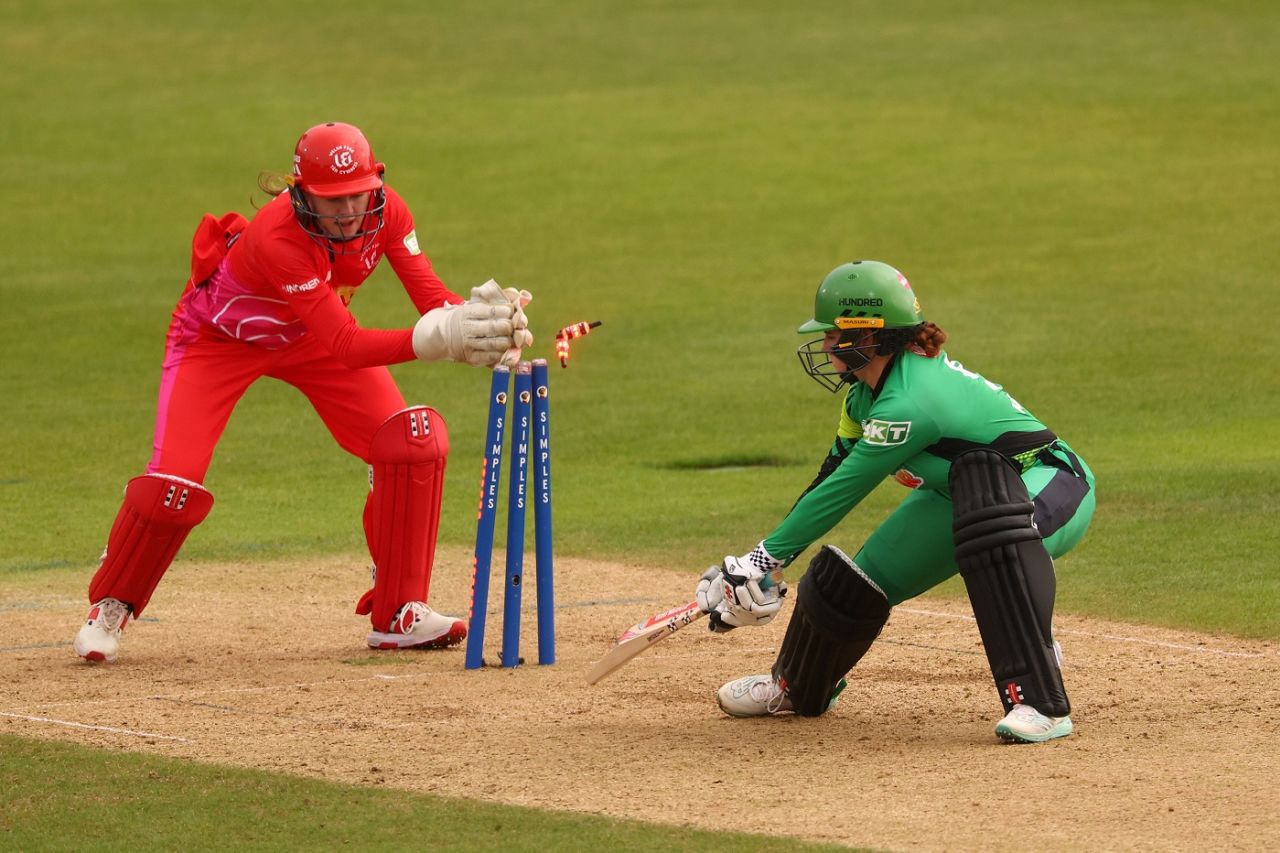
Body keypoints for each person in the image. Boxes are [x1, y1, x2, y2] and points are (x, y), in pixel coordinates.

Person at [73, 121, 533, 663]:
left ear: (375, 182)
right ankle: (112, 603)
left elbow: (431, 298)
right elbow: (346, 342)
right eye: (329, 200)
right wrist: (439, 339)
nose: (345, 212)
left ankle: (399, 613)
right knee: (173, 486)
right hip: (219, 340)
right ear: (299, 192)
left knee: (412, 441)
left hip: (308, 338)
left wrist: (482, 319)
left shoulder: (391, 213)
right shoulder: (279, 235)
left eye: (355, 196)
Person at [695, 260, 1095, 744]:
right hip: (958, 496)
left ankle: (1041, 702)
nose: (824, 346)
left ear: (869, 335)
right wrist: (763, 569)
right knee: (855, 584)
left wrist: (762, 556)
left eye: (832, 335)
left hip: (1050, 483)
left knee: (994, 537)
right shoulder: (862, 399)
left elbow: (850, 488)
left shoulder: (910, 400)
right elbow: (828, 481)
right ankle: (798, 685)